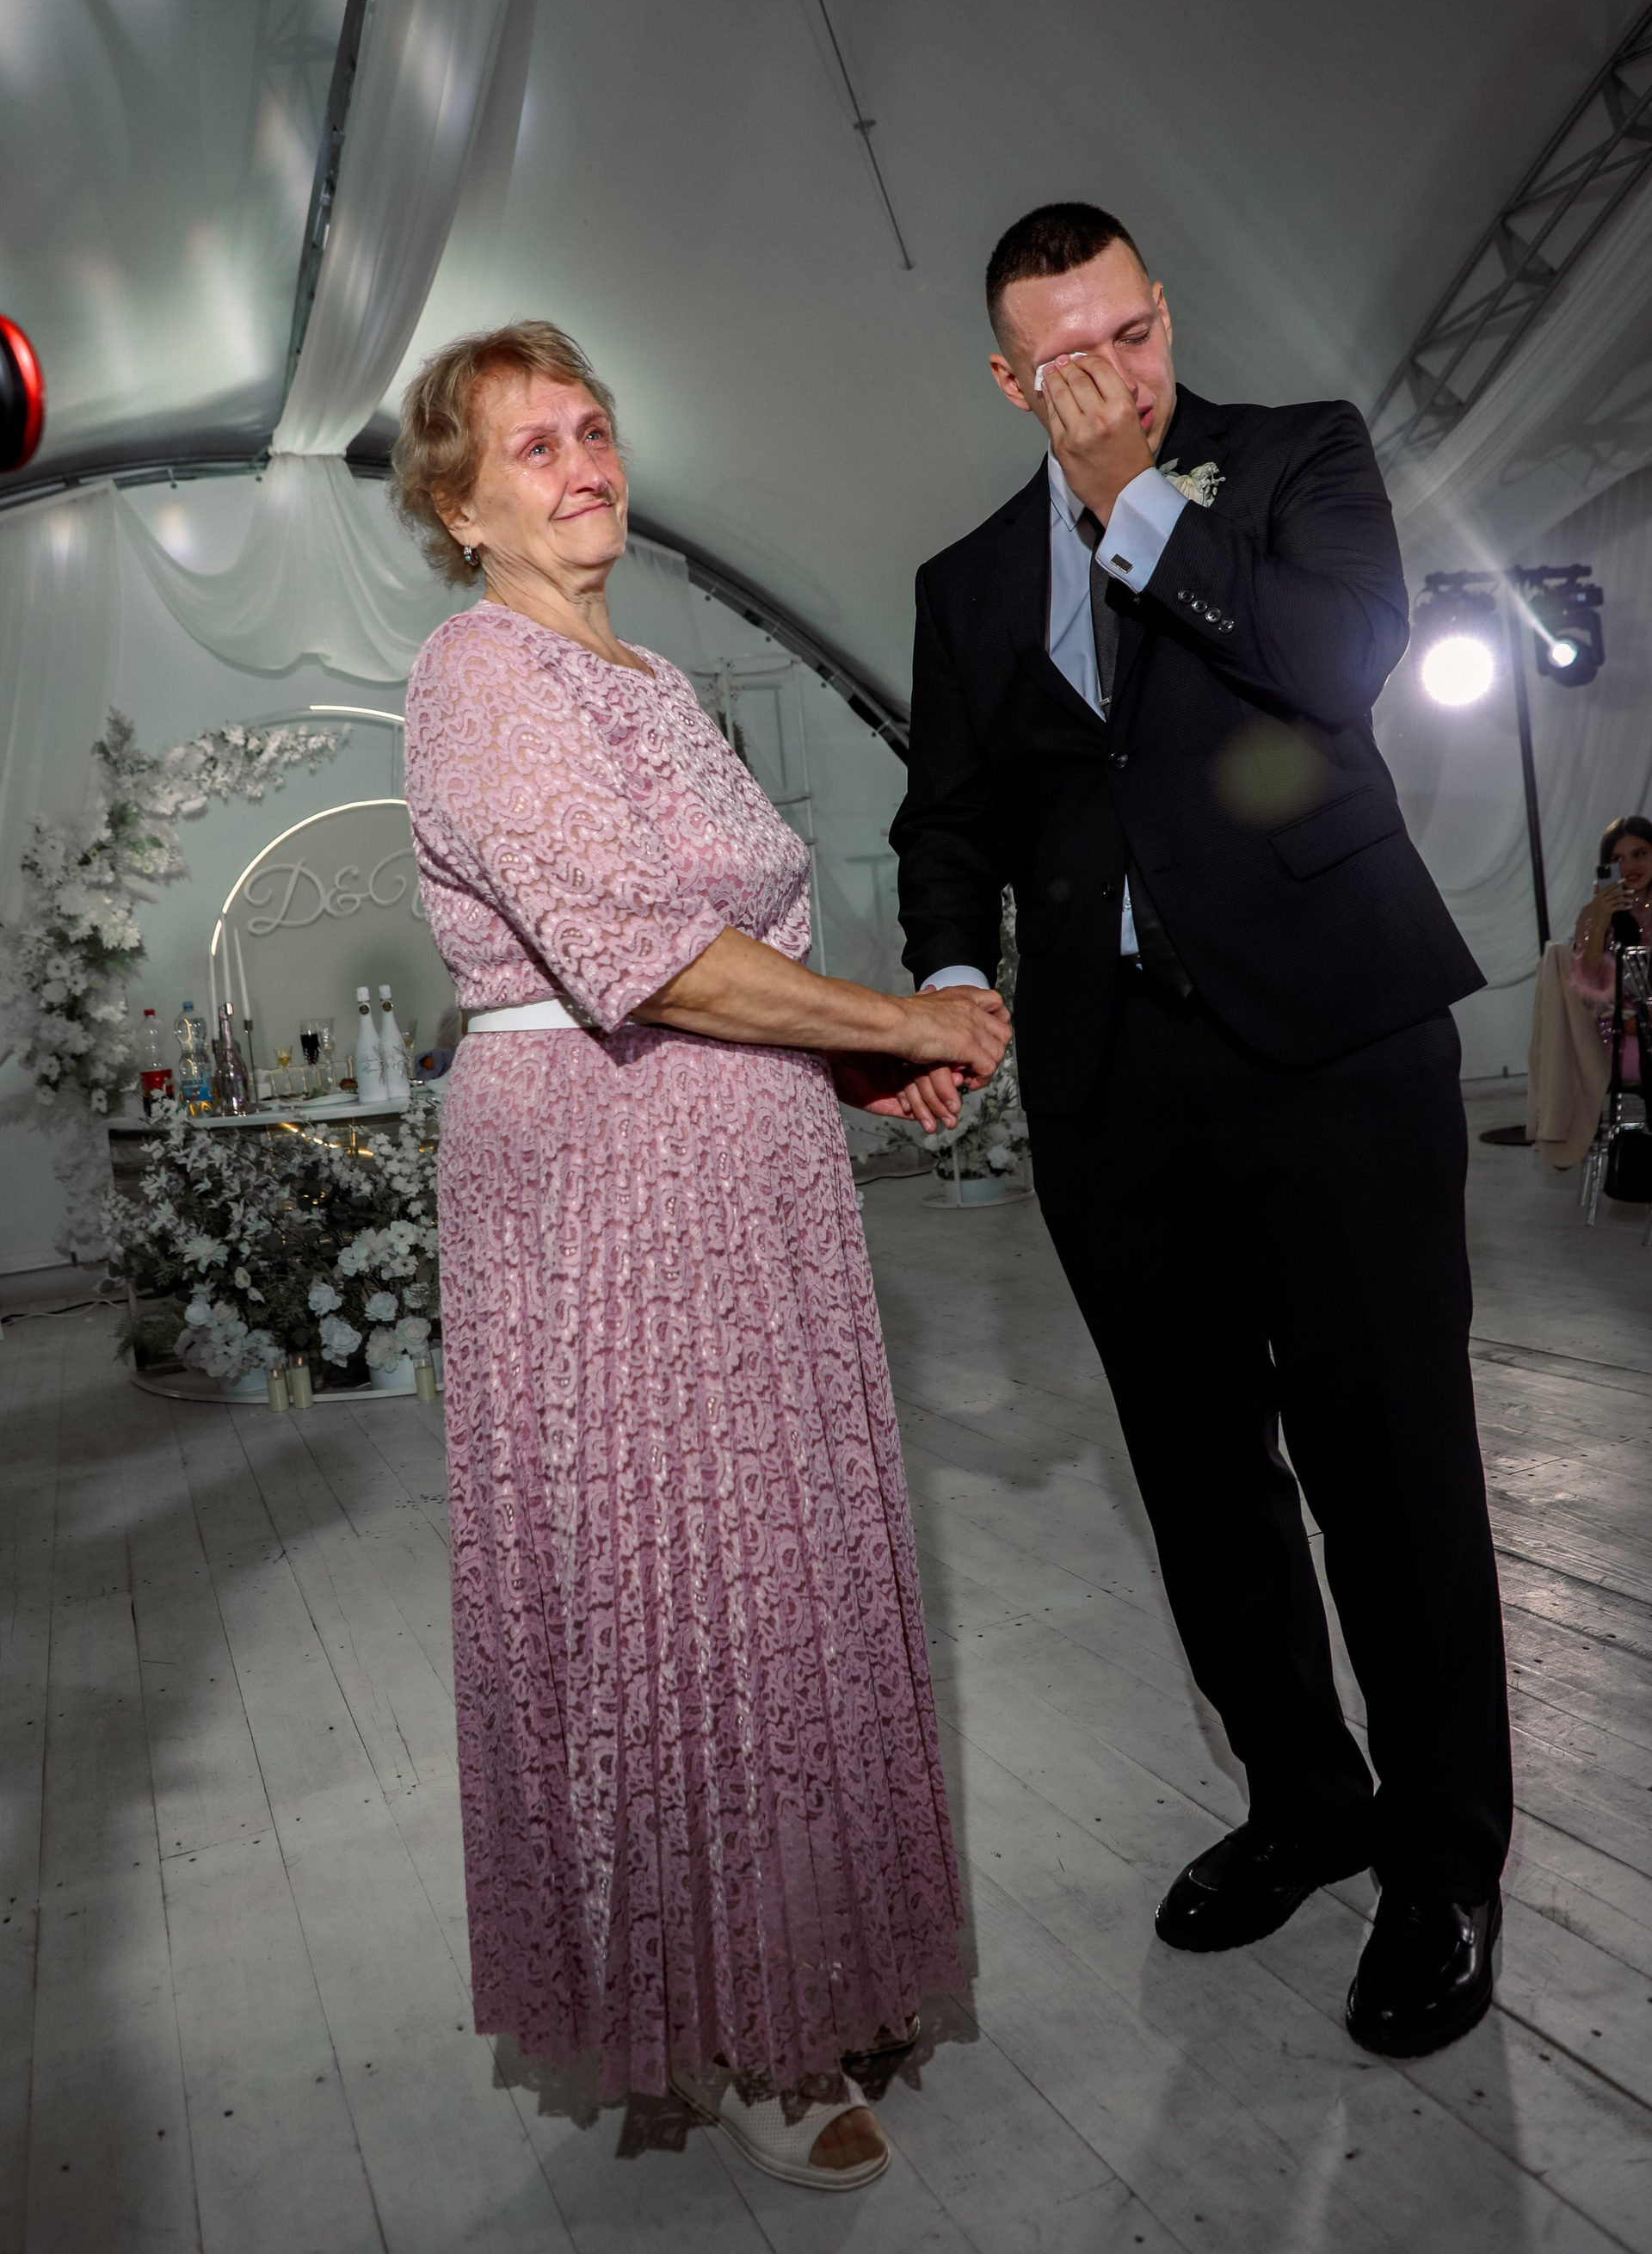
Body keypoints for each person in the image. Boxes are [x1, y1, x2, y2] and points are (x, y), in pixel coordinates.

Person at [891, 202, 1513, 2059]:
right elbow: (951, 821)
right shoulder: (967, 582)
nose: (1119, 377)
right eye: (1070, 360)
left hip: (1333, 1046)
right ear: (1008, 379)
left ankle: (1442, 1859)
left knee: (1391, 1463)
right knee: (1196, 1472)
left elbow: (1335, 663)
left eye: (1136, 333)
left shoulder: (1301, 457)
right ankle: (1307, 1802)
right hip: (1114, 1084)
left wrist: (1138, 503)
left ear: (1166, 313)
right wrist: (945, 975)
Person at [395, 322, 1009, 2187]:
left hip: (748, 1184)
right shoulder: (481, 674)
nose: (584, 462)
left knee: (783, 1585)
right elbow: (645, 957)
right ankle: (744, 2020)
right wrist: (899, 1020)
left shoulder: (651, 675)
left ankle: (810, 1953)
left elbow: (732, 950)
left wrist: (845, 1067)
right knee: (677, 1601)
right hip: (605, 1195)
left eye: (594, 428)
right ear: (458, 506)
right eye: (532, 446)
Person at [1570, 812, 1652, 1080]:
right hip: (1620, 1033)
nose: (1630, 866)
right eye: (1618, 860)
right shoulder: (1593, 915)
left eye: (1640, 854)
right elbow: (1588, 988)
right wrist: (1600, 923)